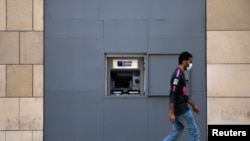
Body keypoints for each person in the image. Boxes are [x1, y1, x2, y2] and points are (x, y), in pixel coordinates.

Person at [162, 51, 200, 141]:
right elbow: (172, 93)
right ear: (184, 62)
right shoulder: (177, 75)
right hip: (182, 110)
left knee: (177, 132)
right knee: (194, 132)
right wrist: (171, 113)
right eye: (190, 62)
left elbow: (183, 95)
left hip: (179, 110)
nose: (191, 64)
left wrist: (193, 105)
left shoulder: (181, 74)